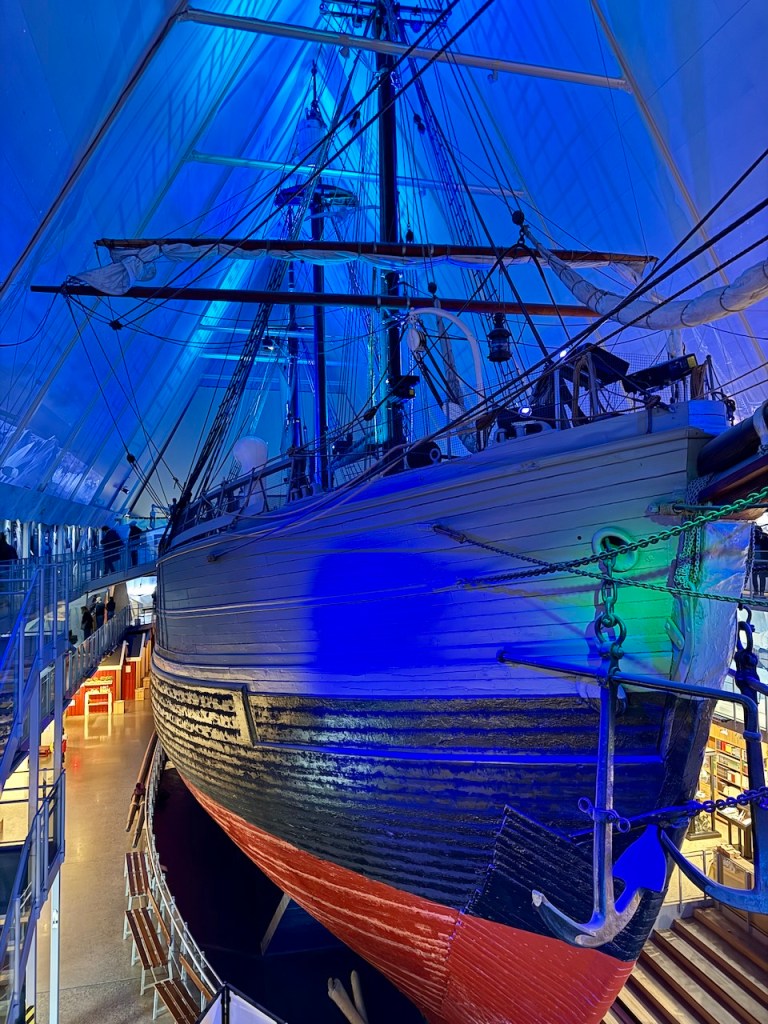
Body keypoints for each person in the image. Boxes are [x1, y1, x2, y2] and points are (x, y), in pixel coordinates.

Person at [752, 525, 768, 596]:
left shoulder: (764, 538)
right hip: (754, 560)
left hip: (762, 560)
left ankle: (761, 592)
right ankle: (756, 591)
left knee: (762, 576)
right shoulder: (752, 538)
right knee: (754, 576)